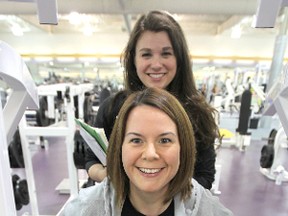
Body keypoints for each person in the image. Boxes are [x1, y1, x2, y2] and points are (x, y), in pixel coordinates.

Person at [85, 10, 219, 189]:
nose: (156, 64)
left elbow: (205, 176)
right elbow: (91, 160)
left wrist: (159, 194)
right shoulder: (112, 109)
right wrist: (110, 177)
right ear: (133, 59)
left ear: (179, 59)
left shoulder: (197, 114)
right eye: (146, 54)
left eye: (166, 54)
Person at [65, 88, 233, 216]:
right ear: (120, 147)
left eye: (165, 140)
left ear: (183, 148)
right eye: (136, 140)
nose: (150, 154)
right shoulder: (83, 210)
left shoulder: (210, 211)